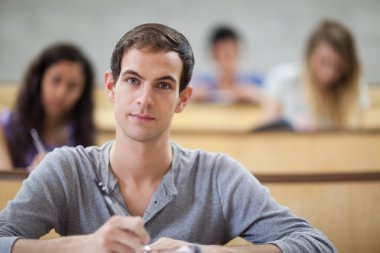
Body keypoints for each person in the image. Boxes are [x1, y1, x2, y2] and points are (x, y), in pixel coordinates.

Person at [0, 23, 336, 253]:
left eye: (163, 85)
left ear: (183, 98)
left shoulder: (218, 174)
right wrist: (82, 246)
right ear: (110, 87)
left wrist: (204, 252)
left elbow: (318, 244)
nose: (144, 99)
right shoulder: (65, 169)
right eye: (132, 80)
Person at [0, 43, 96, 169]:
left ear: (82, 93)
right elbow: (4, 183)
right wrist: (33, 177)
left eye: (72, 86)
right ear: (38, 81)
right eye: (55, 80)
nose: (61, 93)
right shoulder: (6, 127)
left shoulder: (83, 136)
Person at [263, 20, 370, 131]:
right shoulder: (283, 79)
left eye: (338, 66)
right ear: (310, 55)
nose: (329, 73)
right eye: (323, 62)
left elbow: (356, 139)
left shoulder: (356, 88)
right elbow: (267, 136)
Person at [191, 25, 263, 103]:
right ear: (214, 54)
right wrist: (196, 96)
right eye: (225, 54)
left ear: (238, 51)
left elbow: (272, 97)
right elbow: (185, 96)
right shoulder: (203, 82)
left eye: (231, 53)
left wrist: (255, 95)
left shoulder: (254, 79)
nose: (228, 59)